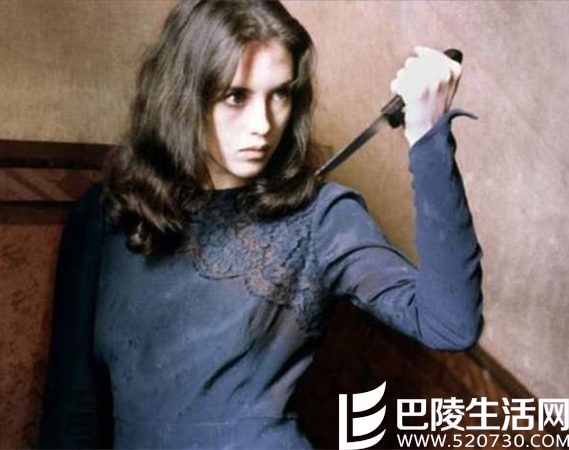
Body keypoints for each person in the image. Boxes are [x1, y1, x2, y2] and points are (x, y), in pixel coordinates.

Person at [39, 0, 484, 448]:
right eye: (236, 96)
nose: (263, 125)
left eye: (280, 94)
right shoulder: (107, 213)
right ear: (183, 94)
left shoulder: (322, 218)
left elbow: (451, 324)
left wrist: (427, 137)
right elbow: (72, 408)